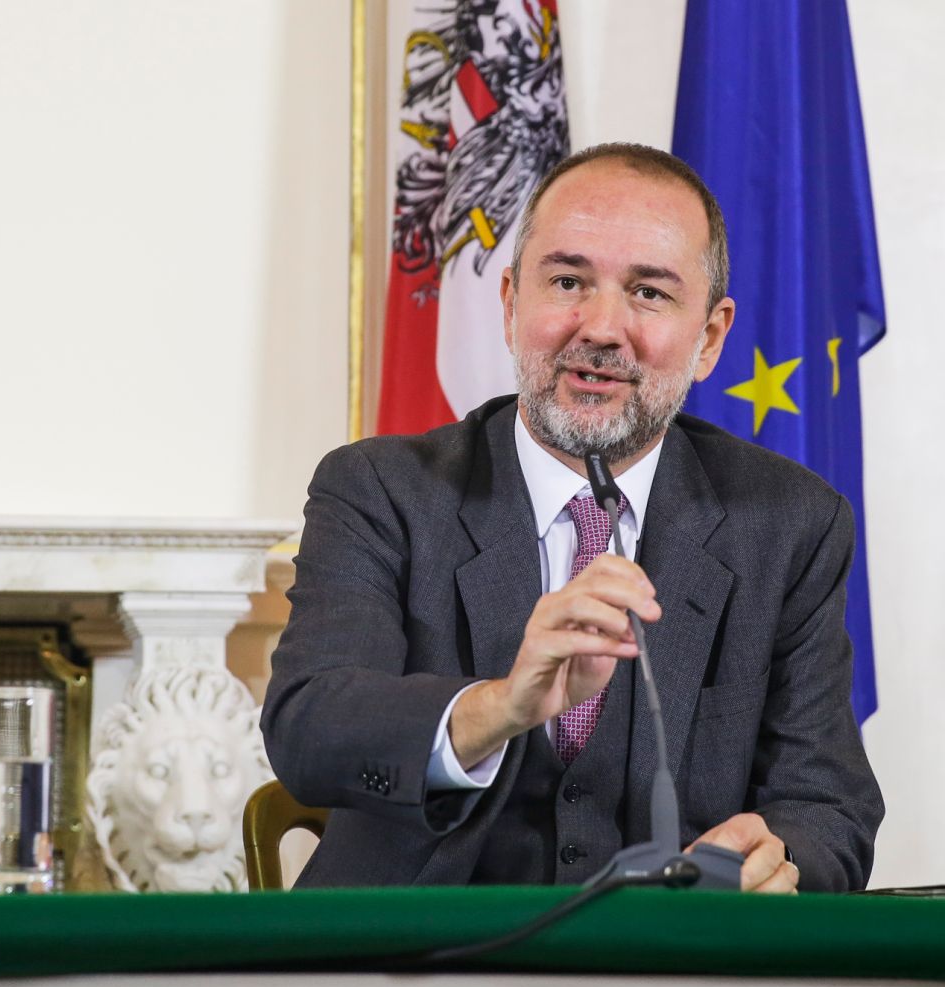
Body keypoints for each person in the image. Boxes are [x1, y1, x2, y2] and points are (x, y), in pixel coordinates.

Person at [262, 143, 882, 893]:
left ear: (711, 338)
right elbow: (309, 729)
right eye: (567, 280)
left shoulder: (789, 523)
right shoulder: (379, 489)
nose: (601, 327)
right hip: (418, 973)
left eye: (649, 293)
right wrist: (497, 705)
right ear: (509, 303)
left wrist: (778, 856)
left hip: (673, 983)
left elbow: (828, 809)